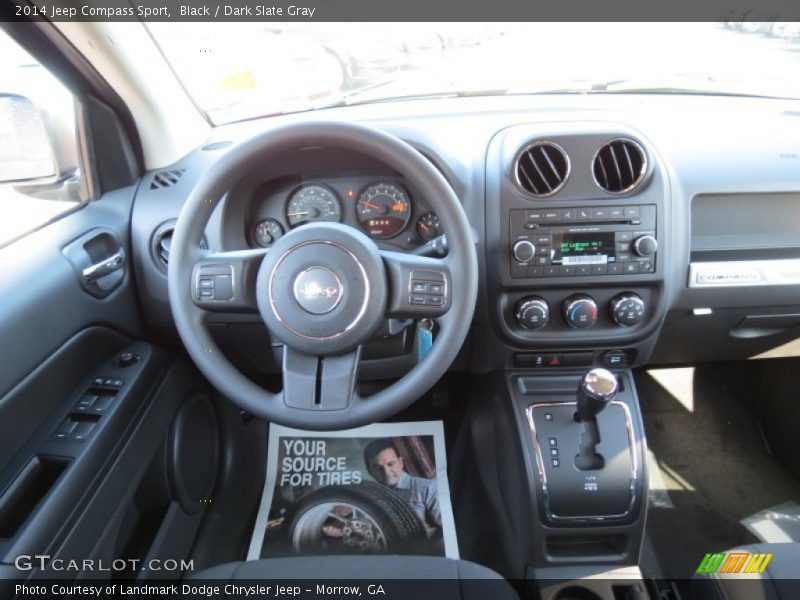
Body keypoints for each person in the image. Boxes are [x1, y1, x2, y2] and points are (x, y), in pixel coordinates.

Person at [363, 438, 441, 539]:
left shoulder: (427, 487)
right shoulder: (370, 497)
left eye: (390, 464)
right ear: (370, 471)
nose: (386, 472)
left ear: (400, 462)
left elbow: (448, 529)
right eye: (377, 468)